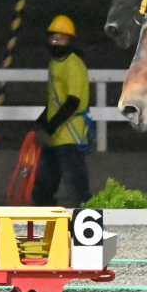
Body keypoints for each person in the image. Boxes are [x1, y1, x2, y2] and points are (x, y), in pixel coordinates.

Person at [32, 14, 92, 207]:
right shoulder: (54, 64)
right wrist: (41, 124)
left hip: (71, 137)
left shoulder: (74, 65)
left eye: (61, 39)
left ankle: (85, 229)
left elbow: (72, 103)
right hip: (55, 137)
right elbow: (54, 101)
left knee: (77, 188)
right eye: (53, 38)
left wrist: (48, 128)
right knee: (43, 187)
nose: (56, 43)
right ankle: (47, 224)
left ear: (70, 41)